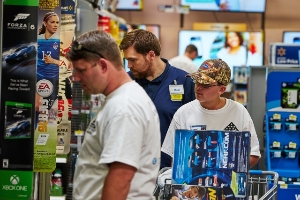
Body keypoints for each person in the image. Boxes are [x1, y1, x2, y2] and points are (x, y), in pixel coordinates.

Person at [66, 30, 161, 200]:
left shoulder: (124, 107)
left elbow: (121, 177)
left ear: (103, 65)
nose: (77, 78)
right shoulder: (119, 99)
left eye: (81, 70)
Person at [161, 59, 261, 168]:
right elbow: (174, 157)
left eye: (206, 85)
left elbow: (253, 154)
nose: (198, 87)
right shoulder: (183, 113)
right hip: (191, 183)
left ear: (221, 89)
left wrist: (227, 170)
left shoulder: (239, 112)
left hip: (228, 183)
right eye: (197, 81)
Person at [119, 29, 195, 169]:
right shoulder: (125, 81)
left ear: (151, 55)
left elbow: (193, 129)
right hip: (130, 170)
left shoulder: (183, 81)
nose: (129, 65)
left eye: (133, 60)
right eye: (127, 60)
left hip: (168, 172)